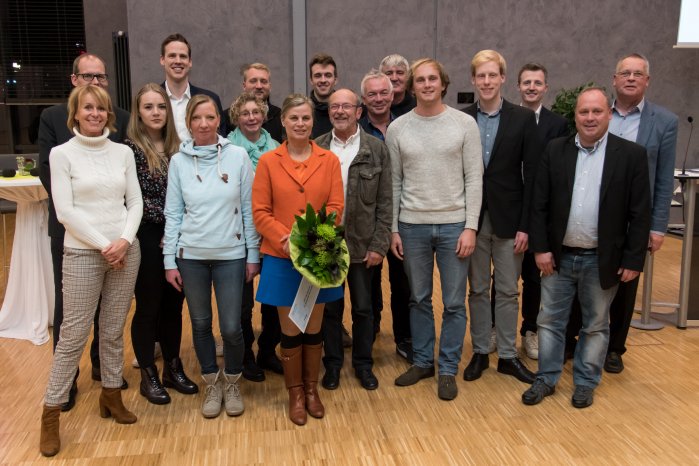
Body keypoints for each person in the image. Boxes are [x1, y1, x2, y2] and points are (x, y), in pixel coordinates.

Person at [522, 87, 650, 409]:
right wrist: (540, 249)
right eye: (583, 112)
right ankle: (546, 378)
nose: (590, 118)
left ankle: (585, 382)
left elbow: (640, 212)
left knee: (595, 324)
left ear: (608, 114)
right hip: (558, 257)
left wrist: (634, 258)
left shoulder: (631, 155)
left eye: (596, 112)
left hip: (601, 259)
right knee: (549, 321)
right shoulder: (555, 150)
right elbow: (539, 204)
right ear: (575, 116)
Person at [40, 84, 143, 457]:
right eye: (88, 108)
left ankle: (111, 396)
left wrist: (125, 242)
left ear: (108, 114)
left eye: (100, 108)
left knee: (113, 330)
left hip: (126, 251)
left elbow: (135, 202)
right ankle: (50, 414)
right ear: (76, 113)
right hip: (84, 253)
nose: (95, 114)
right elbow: (65, 212)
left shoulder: (123, 152)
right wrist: (105, 245)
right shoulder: (61, 154)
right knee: (73, 336)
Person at [389, 58, 483, 401]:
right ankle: (423, 361)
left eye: (432, 79)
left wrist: (471, 226)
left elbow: (474, 178)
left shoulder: (464, 124)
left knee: (455, 303)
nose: (426, 85)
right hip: (411, 226)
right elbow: (395, 182)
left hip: (454, 225)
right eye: (420, 80)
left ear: (443, 84)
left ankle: (447, 368)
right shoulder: (398, 129)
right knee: (418, 298)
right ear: (412, 87)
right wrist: (394, 230)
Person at [163, 94, 260, 419]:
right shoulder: (178, 162)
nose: (203, 124)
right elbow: (173, 213)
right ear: (188, 123)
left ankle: (232, 381)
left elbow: (248, 208)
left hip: (231, 255)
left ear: (219, 121)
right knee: (201, 324)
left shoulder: (237, 157)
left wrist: (252, 254)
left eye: (209, 118)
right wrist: (168, 260)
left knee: (232, 328)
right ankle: (211, 382)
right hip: (191, 257)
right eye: (196, 118)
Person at [252, 94, 344, 425]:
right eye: (294, 118)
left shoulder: (329, 161)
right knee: (290, 330)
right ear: (283, 122)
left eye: (306, 118)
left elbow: (335, 207)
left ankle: (311, 389)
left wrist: (312, 241)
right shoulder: (268, 161)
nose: (301, 123)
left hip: (319, 254)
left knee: (314, 328)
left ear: (312, 121)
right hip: (280, 256)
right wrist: (289, 240)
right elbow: (260, 212)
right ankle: (294, 393)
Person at [463, 50, 541, 385]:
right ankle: (481, 350)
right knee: (478, 289)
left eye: (493, 75)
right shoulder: (464, 119)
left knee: (508, 290)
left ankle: (508, 355)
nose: (487, 81)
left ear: (503, 78)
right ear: (473, 80)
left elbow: (533, 175)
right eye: (481, 76)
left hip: (511, 220)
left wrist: (527, 224)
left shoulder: (523, 119)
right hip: (473, 219)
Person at [604, 53, 678, 374]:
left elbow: (663, 178)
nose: (631, 78)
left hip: (634, 218)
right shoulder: (597, 113)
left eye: (638, 74)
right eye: (625, 73)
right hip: (594, 212)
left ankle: (614, 348)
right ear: (615, 79)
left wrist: (658, 226)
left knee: (625, 282)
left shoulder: (664, 122)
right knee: (587, 278)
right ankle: (580, 339)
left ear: (647, 81)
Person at [126, 83, 198, 405]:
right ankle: (147, 374)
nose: (155, 113)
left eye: (160, 107)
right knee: (148, 306)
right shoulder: (129, 150)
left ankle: (172, 367)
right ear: (138, 113)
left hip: (178, 236)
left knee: (173, 305)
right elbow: (130, 200)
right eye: (148, 107)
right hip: (146, 235)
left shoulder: (180, 149)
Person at [316, 88, 392, 391]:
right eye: (335, 106)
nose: (340, 111)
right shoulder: (317, 147)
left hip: (363, 244)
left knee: (363, 308)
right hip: (327, 242)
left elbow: (386, 201)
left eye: (346, 106)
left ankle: (363, 364)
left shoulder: (376, 149)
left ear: (358, 111)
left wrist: (379, 244)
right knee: (331, 310)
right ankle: (332, 365)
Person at [226, 91, 283, 381]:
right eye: (245, 113)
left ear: (263, 115)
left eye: (255, 112)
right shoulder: (226, 148)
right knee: (243, 303)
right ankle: (245, 354)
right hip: (238, 233)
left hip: (270, 232)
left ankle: (268, 350)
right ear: (236, 117)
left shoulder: (275, 147)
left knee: (273, 298)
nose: (251, 117)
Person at [516, 62, 570, 360]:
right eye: (527, 82)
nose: (532, 87)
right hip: (513, 209)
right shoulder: (510, 118)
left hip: (544, 211)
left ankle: (530, 331)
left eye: (537, 82)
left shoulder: (557, 124)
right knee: (506, 275)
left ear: (545, 87)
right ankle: (499, 327)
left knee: (536, 276)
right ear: (519, 86)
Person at [358, 69, 413, 363]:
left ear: (393, 95)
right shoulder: (357, 129)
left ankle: (405, 338)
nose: (378, 99)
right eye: (372, 94)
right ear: (363, 99)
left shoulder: (407, 126)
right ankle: (371, 331)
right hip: (368, 220)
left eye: (384, 93)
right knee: (369, 283)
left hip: (404, 217)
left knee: (403, 283)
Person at [160, 33, 226, 140]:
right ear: (162, 60)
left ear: (190, 62)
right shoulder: (152, 100)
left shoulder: (211, 99)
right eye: (172, 56)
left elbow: (220, 138)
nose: (178, 61)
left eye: (183, 56)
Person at [240, 63, 283, 142]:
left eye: (263, 81)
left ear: (270, 86)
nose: (259, 86)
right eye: (253, 81)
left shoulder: (281, 116)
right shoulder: (229, 117)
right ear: (244, 86)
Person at [308, 53, 338, 138]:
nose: (323, 80)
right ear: (311, 80)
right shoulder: (304, 111)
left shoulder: (345, 111)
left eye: (328, 75)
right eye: (318, 76)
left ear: (335, 80)